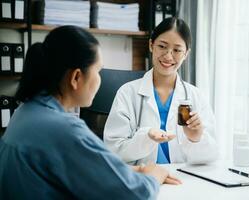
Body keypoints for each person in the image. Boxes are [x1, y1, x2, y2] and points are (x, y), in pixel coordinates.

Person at [0, 25, 181, 200]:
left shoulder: (27, 111)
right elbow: (135, 194)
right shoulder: (64, 129)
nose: (100, 79)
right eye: (98, 71)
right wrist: (154, 176)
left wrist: (136, 171)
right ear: (76, 77)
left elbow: (84, 167)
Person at [104, 17, 218, 165]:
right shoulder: (127, 93)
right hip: (142, 179)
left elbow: (211, 157)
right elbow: (113, 151)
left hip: (182, 182)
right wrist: (146, 137)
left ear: (186, 54)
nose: (168, 56)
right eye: (162, 46)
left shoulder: (196, 96)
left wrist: (195, 138)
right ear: (151, 45)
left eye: (177, 50)